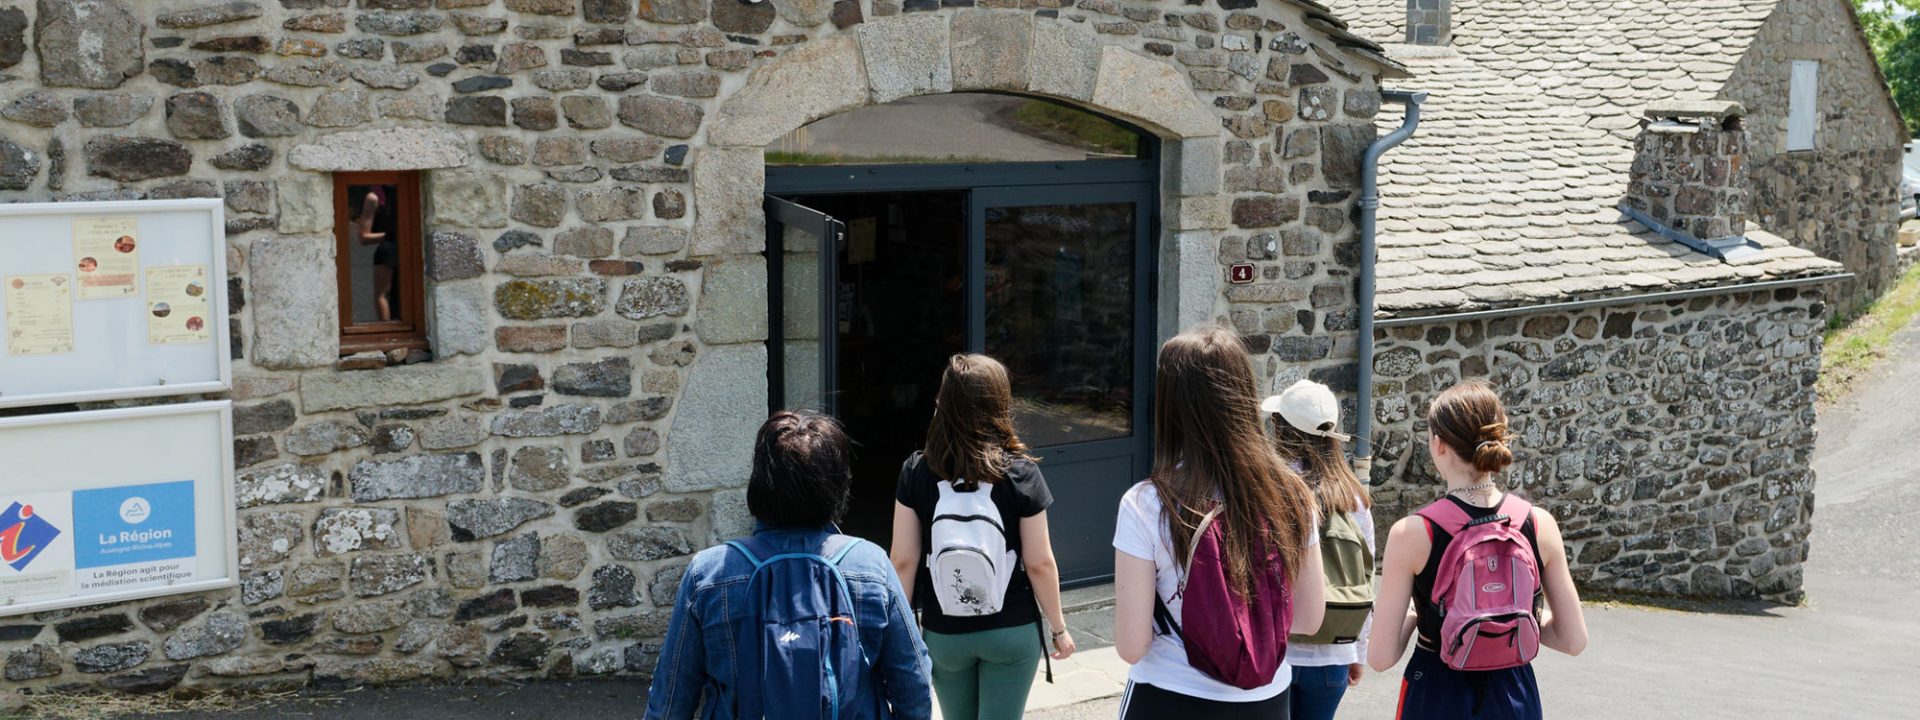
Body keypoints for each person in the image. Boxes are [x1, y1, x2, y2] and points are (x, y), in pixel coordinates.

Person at [645, 411, 934, 720]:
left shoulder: (710, 573)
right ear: (836, 485)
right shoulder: (870, 565)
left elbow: (671, 698)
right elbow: (913, 685)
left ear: (759, 482)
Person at [1111, 326, 1327, 718]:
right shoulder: (1294, 495)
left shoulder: (1147, 503)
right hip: (1266, 701)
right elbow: (1311, 619)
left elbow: (1132, 645)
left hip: (1169, 695)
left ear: (1169, 404)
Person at [1368, 380, 1588, 720]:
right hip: (1513, 690)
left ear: (1438, 444)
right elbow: (1573, 640)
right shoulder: (1538, 523)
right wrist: (1507, 618)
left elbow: (1380, 657)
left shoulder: (1412, 533)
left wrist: (1417, 617)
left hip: (1437, 691)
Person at [890, 354, 1075, 720]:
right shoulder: (1020, 472)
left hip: (944, 633)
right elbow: (1039, 564)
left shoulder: (916, 470)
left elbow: (903, 561)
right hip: (1011, 629)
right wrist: (1059, 629)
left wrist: (900, 634)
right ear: (999, 404)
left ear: (941, 403)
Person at [1264, 379, 1374, 720]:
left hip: (1273, 653)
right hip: (1331, 658)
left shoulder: (1268, 488)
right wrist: (1356, 651)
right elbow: (1365, 576)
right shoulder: (1353, 497)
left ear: (1281, 429)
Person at [352, 187, 398, 321]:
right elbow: (363, 236)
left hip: (408, 248)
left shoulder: (405, 190)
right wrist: (394, 235)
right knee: (383, 294)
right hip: (388, 250)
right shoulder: (374, 196)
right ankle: (387, 333)